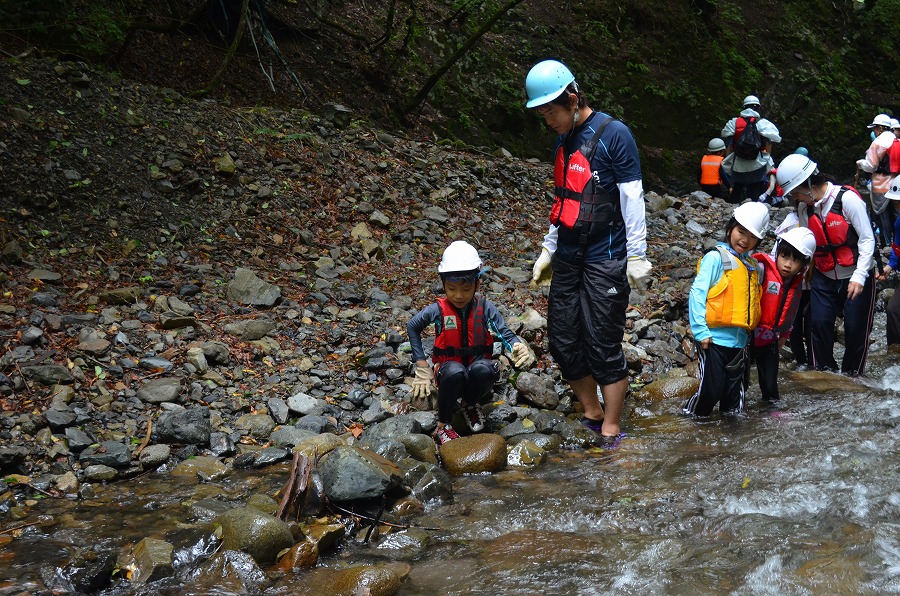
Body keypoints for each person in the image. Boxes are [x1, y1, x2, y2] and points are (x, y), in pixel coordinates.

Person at [525, 59, 652, 443]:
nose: (548, 120)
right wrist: (548, 249)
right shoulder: (563, 138)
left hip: (606, 255)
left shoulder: (616, 135)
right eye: (542, 113)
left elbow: (632, 197)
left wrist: (636, 254)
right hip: (568, 253)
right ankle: (591, 409)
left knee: (601, 340)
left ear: (573, 99)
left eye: (551, 111)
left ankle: (612, 426)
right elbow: (566, 197)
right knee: (562, 339)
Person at [407, 240, 535, 445]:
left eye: (466, 289)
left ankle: (469, 405)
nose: (458, 295)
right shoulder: (437, 310)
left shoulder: (485, 307)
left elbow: (505, 333)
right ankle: (444, 425)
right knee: (456, 371)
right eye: (451, 288)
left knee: (489, 369)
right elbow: (413, 326)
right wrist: (421, 365)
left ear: (477, 284)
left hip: (476, 370)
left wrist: (517, 345)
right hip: (449, 373)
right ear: (443, 285)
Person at [775, 154, 876, 376]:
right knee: (819, 324)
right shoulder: (804, 209)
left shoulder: (847, 200)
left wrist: (859, 276)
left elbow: (867, 239)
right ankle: (826, 374)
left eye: (795, 191)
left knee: (854, 329)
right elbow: (805, 244)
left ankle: (852, 377)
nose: (794, 197)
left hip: (856, 274)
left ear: (808, 184)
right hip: (823, 275)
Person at [682, 202, 768, 417]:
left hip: (739, 343)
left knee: (734, 400)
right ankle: (690, 418)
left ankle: (731, 441)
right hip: (713, 340)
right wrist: (700, 331)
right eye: (741, 231)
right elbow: (697, 293)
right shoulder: (716, 257)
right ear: (730, 228)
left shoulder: (751, 266)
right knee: (711, 390)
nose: (745, 240)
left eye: (752, 237)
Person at [750, 227, 816, 401]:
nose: (788, 264)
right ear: (777, 253)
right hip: (747, 338)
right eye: (784, 257)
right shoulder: (762, 271)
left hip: (770, 340)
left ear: (804, 264)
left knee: (771, 388)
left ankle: (772, 417)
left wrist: (784, 335)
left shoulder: (796, 283)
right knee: (740, 381)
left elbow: (792, 311)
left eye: (795, 260)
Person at [720, 95, 782, 204]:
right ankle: (753, 207)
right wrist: (767, 158)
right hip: (757, 163)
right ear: (758, 107)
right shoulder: (762, 123)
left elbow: (729, 146)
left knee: (737, 187)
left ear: (744, 107)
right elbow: (768, 144)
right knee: (755, 188)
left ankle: (732, 207)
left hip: (738, 163)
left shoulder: (734, 123)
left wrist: (730, 160)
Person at [856, 113, 896, 249]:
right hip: (897, 182)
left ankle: (886, 244)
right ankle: (898, 243)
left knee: (882, 214)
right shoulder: (897, 139)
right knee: (896, 213)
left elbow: (871, 166)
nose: (874, 131)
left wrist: (860, 163)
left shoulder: (878, 142)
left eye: (874, 128)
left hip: (881, 183)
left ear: (880, 128)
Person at [876, 175, 900, 347]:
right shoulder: (899, 222)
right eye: (896, 203)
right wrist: (889, 266)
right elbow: (898, 248)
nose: (897, 206)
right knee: (893, 311)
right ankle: (894, 352)